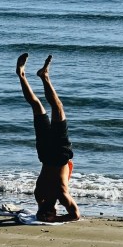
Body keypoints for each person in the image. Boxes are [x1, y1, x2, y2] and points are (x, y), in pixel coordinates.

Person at [15, 52, 81, 222]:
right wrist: (52, 218)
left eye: (48, 214)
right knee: (38, 106)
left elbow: (75, 216)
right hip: (47, 154)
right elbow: (72, 215)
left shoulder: (61, 195)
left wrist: (55, 219)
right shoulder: (40, 195)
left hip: (58, 155)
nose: (50, 213)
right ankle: (24, 75)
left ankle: (39, 76)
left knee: (55, 107)